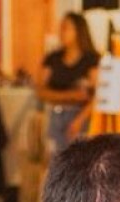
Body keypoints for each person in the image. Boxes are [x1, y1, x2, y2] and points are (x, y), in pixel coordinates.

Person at [38, 13, 99, 157]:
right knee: (55, 160)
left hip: (80, 116)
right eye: (61, 28)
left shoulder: (91, 59)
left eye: (66, 28)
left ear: (78, 31)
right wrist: (72, 95)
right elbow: (41, 90)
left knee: (79, 161)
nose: (61, 33)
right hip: (55, 115)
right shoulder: (53, 58)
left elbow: (96, 95)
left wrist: (80, 118)